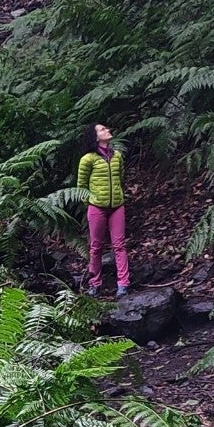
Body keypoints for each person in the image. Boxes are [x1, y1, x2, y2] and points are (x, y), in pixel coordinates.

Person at [77, 122, 130, 297]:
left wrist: (118, 195)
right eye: (102, 129)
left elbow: (121, 178)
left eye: (106, 128)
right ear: (95, 137)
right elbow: (81, 186)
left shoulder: (117, 156)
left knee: (119, 245)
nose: (107, 130)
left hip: (117, 206)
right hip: (96, 207)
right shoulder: (88, 159)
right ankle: (95, 284)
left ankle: (123, 283)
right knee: (96, 247)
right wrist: (90, 203)